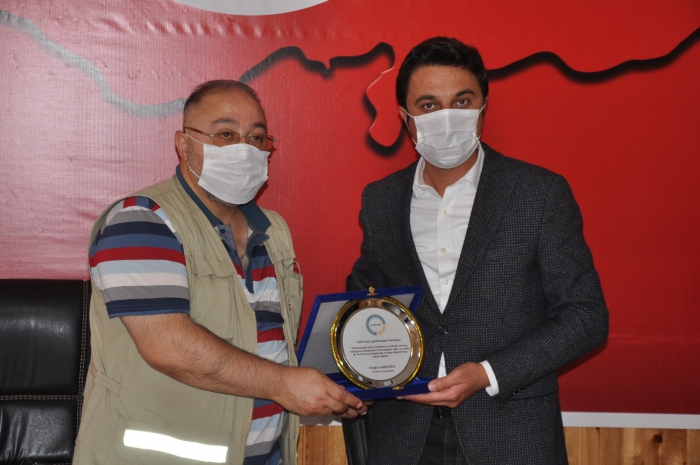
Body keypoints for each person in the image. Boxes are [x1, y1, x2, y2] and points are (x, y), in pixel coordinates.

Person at [74, 80, 365, 465]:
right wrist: (285, 385)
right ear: (184, 145)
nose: (245, 149)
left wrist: (348, 382)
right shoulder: (141, 221)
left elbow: (276, 345)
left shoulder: (273, 230)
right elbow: (169, 346)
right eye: (226, 134)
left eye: (257, 138)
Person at [350, 37, 609, 464]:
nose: (447, 116)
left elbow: (586, 317)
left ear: (482, 108)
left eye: (462, 101)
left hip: (512, 434)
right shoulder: (380, 200)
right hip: (404, 434)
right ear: (405, 117)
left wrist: (489, 373)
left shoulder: (539, 193)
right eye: (429, 105)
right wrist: (347, 368)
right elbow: (366, 300)